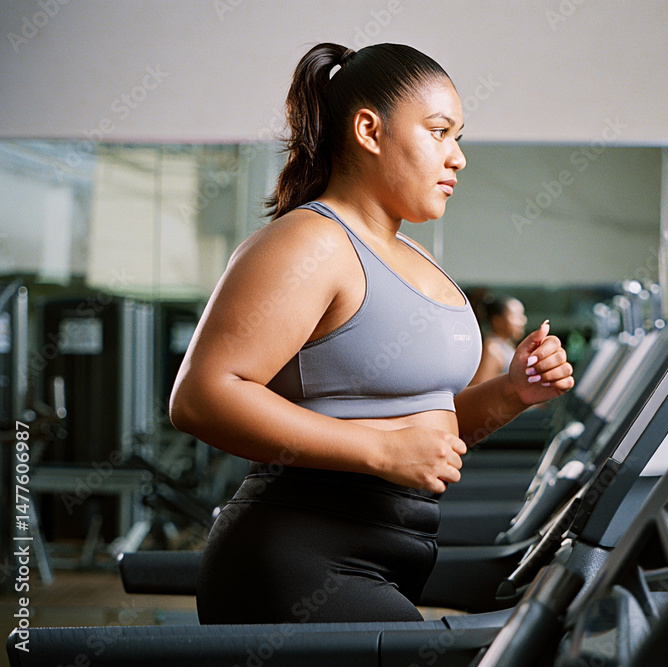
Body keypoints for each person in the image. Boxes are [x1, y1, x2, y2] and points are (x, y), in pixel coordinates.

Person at [168, 42, 574, 625]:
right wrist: (380, 450)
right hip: (299, 558)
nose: (457, 157)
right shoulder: (310, 242)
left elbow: (426, 432)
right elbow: (202, 396)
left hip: (390, 554)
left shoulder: (409, 254)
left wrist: (511, 393)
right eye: (439, 132)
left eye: (458, 137)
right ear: (368, 129)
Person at [470, 294, 527, 385]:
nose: (523, 321)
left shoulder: (505, 345)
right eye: (515, 316)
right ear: (497, 321)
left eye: (522, 315)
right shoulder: (493, 349)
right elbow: (479, 388)